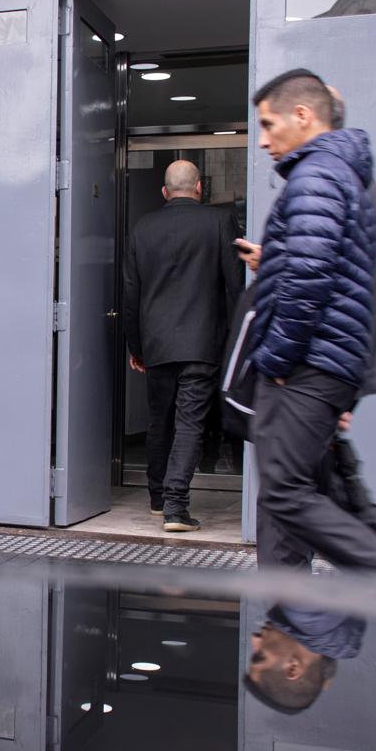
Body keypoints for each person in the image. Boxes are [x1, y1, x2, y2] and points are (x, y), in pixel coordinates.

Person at [244, 70, 376, 571]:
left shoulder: (317, 176)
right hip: (327, 367)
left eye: (269, 124)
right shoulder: (347, 177)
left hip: (307, 367)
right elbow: (330, 269)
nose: (263, 139)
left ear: (305, 115)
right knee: (307, 489)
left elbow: (313, 274)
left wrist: (274, 357)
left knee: (284, 492)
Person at [123, 159, 243, 531]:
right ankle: (176, 507)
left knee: (161, 420)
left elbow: (131, 292)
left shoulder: (143, 227)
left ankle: (158, 498)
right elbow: (234, 286)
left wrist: (136, 346)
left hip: (157, 344)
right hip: (203, 342)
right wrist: (235, 341)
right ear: (198, 189)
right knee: (190, 423)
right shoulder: (218, 222)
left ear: (164, 192)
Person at [244, 604, 361, 714]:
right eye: (260, 657)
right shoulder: (305, 612)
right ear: (293, 668)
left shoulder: (340, 638)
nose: (255, 639)